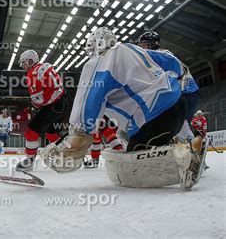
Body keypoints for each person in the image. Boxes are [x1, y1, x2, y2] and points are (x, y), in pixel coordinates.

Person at [42, 27, 205, 190]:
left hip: (156, 116)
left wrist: (77, 137)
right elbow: (174, 64)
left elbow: (90, 101)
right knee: (123, 133)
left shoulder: (97, 64)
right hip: (177, 101)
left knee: (137, 163)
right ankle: (187, 143)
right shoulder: (133, 49)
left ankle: (186, 160)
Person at [137, 31, 200, 143]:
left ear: (153, 43)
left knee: (180, 124)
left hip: (186, 93)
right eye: (141, 44)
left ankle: (193, 149)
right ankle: (188, 145)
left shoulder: (162, 54)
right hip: (182, 93)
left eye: (144, 44)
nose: (142, 47)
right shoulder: (155, 58)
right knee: (175, 125)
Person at [16, 49, 68, 172]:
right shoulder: (44, 67)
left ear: (30, 61)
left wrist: (33, 102)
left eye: (24, 63)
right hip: (62, 103)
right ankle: (65, 156)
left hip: (51, 106)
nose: (23, 66)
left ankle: (29, 162)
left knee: (30, 132)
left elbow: (38, 101)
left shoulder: (32, 73)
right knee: (51, 133)